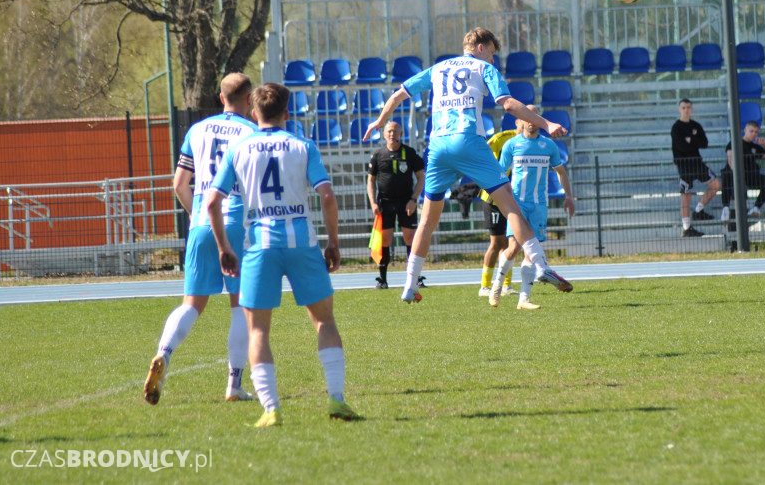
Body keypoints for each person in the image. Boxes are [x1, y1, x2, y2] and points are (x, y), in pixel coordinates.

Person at [362, 28, 569, 304]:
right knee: (510, 205)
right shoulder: (483, 67)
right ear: (482, 47)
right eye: (493, 54)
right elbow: (507, 104)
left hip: (438, 147)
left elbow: (399, 94)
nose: (493, 60)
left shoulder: (438, 68)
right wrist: (547, 123)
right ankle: (542, 265)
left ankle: (409, 286)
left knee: (426, 221)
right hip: (468, 141)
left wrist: (379, 120)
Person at [207, 83, 360, 427]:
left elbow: (212, 202)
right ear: (287, 113)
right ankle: (336, 399)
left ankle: (271, 408)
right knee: (324, 321)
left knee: (258, 330)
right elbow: (327, 196)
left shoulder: (239, 148)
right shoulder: (303, 146)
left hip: (259, 244)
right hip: (301, 242)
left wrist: (224, 248)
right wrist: (333, 241)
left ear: (254, 111)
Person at [144, 73, 258, 406]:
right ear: (249, 99)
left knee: (191, 304)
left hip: (201, 224)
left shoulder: (197, 129)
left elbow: (179, 184)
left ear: (221, 97)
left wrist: (195, 216)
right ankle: (234, 385)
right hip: (235, 222)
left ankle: (163, 353)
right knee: (241, 306)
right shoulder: (251, 132)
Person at [489, 105, 576, 310]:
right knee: (513, 248)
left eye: (534, 116)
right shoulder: (512, 145)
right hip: (517, 204)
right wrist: (502, 198)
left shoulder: (549, 146)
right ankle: (496, 287)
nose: (531, 120)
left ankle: (523, 299)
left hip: (539, 205)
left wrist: (569, 196)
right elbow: (500, 174)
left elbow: (561, 172)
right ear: (520, 119)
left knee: (530, 254)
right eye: (526, 116)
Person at [366, 120, 425, 290]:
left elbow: (421, 178)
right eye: (389, 131)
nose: (392, 134)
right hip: (385, 202)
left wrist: (413, 199)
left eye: (395, 131)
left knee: (411, 238)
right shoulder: (378, 155)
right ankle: (382, 279)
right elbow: (371, 180)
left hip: (406, 202)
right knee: (385, 239)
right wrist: (373, 202)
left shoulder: (409, 153)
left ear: (401, 134)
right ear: (384, 134)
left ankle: (415, 278)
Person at [477, 126, 520, 298]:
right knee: (496, 243)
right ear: (517, 122)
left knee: (510, 244)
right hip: (493, 198)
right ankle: (485, 286)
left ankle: (506, 285)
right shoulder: (501, 139)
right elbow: (481, 155)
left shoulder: (532, 143)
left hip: (512, 199)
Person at [671, 98, 721, 238]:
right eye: (683, 107)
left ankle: (698, 211)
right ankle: (686, 228)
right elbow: (681, 146)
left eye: (688, 107)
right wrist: (693, 142)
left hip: (697, 162)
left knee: (716, 185)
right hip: (684, 164)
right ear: (679, 109)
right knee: (686, 194)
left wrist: (691, 140)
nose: (686, 110)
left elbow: (704, 143)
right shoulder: (676, 127)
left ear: (692, 109)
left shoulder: (696, 125)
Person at [719, 120, 765, 224]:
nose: (754, 134)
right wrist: (739, 177)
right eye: (751, 131)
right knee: (727, 174)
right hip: (735, 175)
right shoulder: (735, 143)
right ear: (745, 130)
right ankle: (725, 209)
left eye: (756, 132)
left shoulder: (755, 147)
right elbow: (731, 161)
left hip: (750, 176)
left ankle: (756, 208)